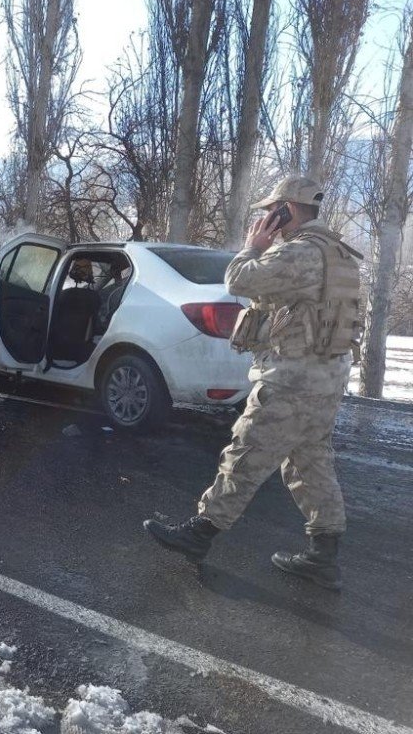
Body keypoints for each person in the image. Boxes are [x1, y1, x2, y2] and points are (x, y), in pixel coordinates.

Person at [143, 175, 362, 591]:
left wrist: (253, 245)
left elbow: (238, 280)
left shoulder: (299, 253)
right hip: (327, 379)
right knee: (311, 462)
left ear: (288, 210)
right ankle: (323, 555)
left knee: (245, 455)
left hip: (291, 380)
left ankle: (199, 533)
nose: (266, 217)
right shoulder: (340, 254)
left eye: (271, 210)